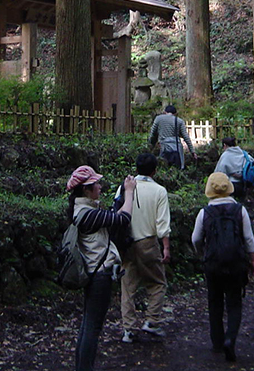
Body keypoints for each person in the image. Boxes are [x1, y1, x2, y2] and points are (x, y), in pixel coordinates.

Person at [67, 165, 137, 371]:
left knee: (88, 324)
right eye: (96, 184)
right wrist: (130, 192)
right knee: (92, 327)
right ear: (86, 189)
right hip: (99, 275)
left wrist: (123, 196)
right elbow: (123, 219)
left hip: (93, 273)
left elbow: (114, 216)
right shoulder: (87, 214)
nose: (99, 186)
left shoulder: (83, 210)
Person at [191, 172, 254, 362]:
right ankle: (231, 338)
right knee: (235, 302)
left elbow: (195, 238)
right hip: (236, 263)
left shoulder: (205, 212)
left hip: (213, 263)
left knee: (214, 301)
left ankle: (217, 342)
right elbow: (249, 238)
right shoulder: (240, 210)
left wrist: (201, 253)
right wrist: (252, 260)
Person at [118, 153, 172, 343]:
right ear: (154, 171)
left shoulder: (126, 187)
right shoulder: (159, 191)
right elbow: (162, 223)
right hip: (148, 242)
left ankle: (128, 329)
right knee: (157, 282)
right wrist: (166, 247)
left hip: (127, 242)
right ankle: (151, 320)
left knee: (127, 286)